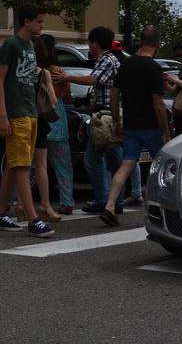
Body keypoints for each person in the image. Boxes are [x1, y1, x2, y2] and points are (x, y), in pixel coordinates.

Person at [99, 26, 170, 226]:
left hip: (130, 124)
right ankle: (160, 209)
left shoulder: (126, 64)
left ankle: (110, 206)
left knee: (127, 164)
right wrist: (166, 131)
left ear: (140, 41)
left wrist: (116, 121)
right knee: (163, 166)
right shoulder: (154, 68)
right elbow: (158, 102)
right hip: (152, 126)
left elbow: (114, 94)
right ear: (157, 44)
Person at [54, 27, 123, 214]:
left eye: (90, 43)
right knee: (111, 159)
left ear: (95, 43)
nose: (89, 47)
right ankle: (114, 200)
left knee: (95, 160)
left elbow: (94, 80)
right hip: (108, 116)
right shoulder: (110, 60)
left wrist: (66, 77)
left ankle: (106, 200)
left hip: (105, 118)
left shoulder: (106, 61)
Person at [0, 3, 55, 237]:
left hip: (30, 111)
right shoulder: (11, 45)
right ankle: (33, 219)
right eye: (39, 21)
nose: (42, 25)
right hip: (16, 112)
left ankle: (1, 211)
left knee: (16, 165)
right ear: (27, 22)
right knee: (22, 166)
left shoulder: (31, 45)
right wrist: (3, 114)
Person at [14, 36, 62, 223]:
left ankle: (20, 205)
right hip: (39, 122)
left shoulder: (16, 73)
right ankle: (45, 205)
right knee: (41, 165)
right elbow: (54, 100)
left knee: (20, 165)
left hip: (19, 117)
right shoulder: (43, 73)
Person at [39, 34, 75, 215]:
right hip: (57, 117)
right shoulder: (58, 71)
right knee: (62, 164)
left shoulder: (34, 69)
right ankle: (67, 201)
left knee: (28, 165)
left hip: (38, 116)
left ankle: (17, 201)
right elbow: (67, 95)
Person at [110, 39, 143, 206]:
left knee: (127, 157)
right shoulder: (126, 62)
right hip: (131, 113)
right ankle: (136, 191)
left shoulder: (117, 65)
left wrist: (116, 119)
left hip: (124, 114)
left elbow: (115, 94)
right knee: (131, 157)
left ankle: (117, 199)